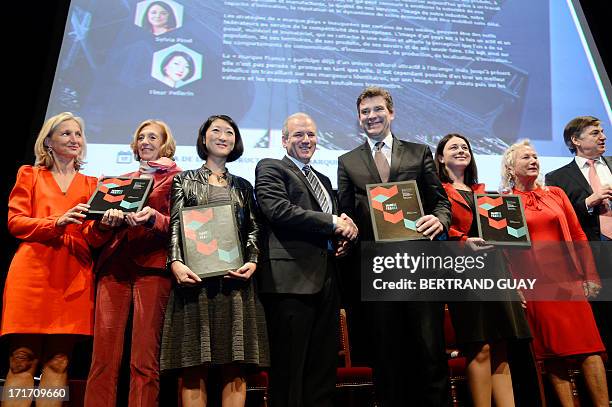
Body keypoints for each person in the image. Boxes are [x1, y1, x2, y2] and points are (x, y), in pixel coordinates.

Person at [337, 86, 451, 406]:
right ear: (359, 118)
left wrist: (439, 221)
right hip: (378, 272)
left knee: (430, 352)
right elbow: (346, 213)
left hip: (419, 266)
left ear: (391, 112)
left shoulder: (419, 152)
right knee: (386, 356)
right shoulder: (347, 161)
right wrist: (344, 233)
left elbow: (440, 203)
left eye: (377, 110)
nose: (371, 117)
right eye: (365, 112)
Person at [1, 112, 120, 407]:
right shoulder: (30, 174)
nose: (74, 139)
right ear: (49, 142)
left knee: (59, 361)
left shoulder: (93, 184)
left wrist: (104, 225)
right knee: (21, 359)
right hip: (32, 272)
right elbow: (16, 222)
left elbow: (93, 237)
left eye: (78, 134)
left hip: (74, 273)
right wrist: (56, 223)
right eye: (66, 134)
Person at [160, 115, 269, 407]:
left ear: (236, 141)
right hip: (194, 283)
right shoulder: (183, 179)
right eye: (216, 131)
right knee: (193, 365)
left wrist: (254, 261)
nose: (223, 136)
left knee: (236, 366)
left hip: (235, 284)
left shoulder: (244, 186)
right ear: (204, 138)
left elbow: (254, 229)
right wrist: (175, 263)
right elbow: (175, 226)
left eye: (229, 132)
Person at [255, 112, 358, 407]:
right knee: (289, 371)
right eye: (298, 135)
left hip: (327, 281)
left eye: (311, 135)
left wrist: (344, 239)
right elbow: (278, 210)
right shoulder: (271, 168)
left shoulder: (324, 179)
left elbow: (334, 223)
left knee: (322, 369)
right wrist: (333, 222)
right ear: (284, 140)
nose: (306, 140)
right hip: (290, 284)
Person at [501, 139, 609, 407]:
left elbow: (578, 234)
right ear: (511, 168)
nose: (533, 160)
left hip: (568, 281)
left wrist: (590, 275)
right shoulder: (504, 202)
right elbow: (503, 251)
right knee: (553, 354)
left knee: (590, 348)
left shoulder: (556, 193)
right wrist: (514, 286)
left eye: (535, 156)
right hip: (535, 285)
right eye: (526, 157)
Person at [84, 120, 182, 406]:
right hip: (114, 269)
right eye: (141, 137)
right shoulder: (117, 181)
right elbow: (92, 236)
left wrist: (153, 218)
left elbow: (181, 225)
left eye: (153, 137)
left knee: (144, 359)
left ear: (166, 145)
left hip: (152, 270)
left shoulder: (178, 179)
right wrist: (104, 224)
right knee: (102, 358)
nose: (145, 141)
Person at [435, 133, 531, 407]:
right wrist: (463, 242)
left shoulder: (485, 192)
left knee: (501, 348)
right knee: (480, 346)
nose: (461, 150)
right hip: (464, 273)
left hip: (497, 272)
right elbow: (439, 232)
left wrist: (512, 283)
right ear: (441, 157)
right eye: (454, 147)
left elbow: (502, 241)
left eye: (465, 147)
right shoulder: (438, 192)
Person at [545, 116, 612, 355]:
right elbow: (559, 218)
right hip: (595, 254)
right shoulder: (557, 178)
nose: (603, 136)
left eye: (602, 131)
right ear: (576, 140)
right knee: (604, 322)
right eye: (595, 133)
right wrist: (588, 202)